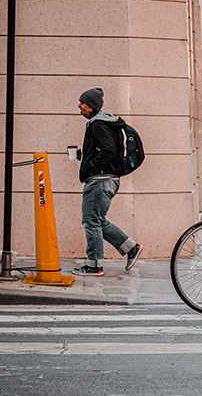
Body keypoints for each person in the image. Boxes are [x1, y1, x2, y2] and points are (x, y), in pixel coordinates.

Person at [72, 88, 143, 276]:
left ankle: (94, 265)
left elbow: (108, 151)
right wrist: (84, 156)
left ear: (92, 106)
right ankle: (131, 248)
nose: (79, 105)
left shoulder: (98, 124)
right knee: (97, 220)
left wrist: (91, 167)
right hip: (107, 179)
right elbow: (106, 150)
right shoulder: (103, 122)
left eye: (83, 102)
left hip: (100, 180)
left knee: (90, 221)